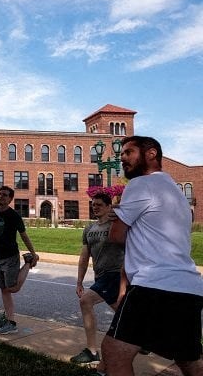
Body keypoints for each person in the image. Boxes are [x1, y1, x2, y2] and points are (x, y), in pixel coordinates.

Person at [102, 136, 203, 376]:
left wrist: (118, 217)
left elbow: (116, 237)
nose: (123, 158)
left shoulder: (140, 185)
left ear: (151, 154)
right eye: (122, 154)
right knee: (188, 359)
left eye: (129, 152)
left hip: (153, 284)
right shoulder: (176, 192)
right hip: (188, 287)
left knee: (114, 351)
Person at [70, 192, 125, 374]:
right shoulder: (89, 229)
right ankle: (143, 339)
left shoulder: (116, 224)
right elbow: (84, 257)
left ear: (109, 206)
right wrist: (79, 281)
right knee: (123, 311)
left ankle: (92, 352)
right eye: (93, 204)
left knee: (86, 301)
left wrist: (118, 212)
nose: (95, 207)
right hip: (100, 276)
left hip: (115, 273)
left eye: (100, 204)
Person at [0, 185, 39, 335]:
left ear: (10, 199)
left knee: (13, 288)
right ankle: (11, 322)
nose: (1, 197)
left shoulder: (14, 216)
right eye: (0, 194)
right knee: (3, 290)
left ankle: (28, 262)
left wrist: (33, 253)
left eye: (4, 195)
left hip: (10, 256)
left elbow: (23, 235)